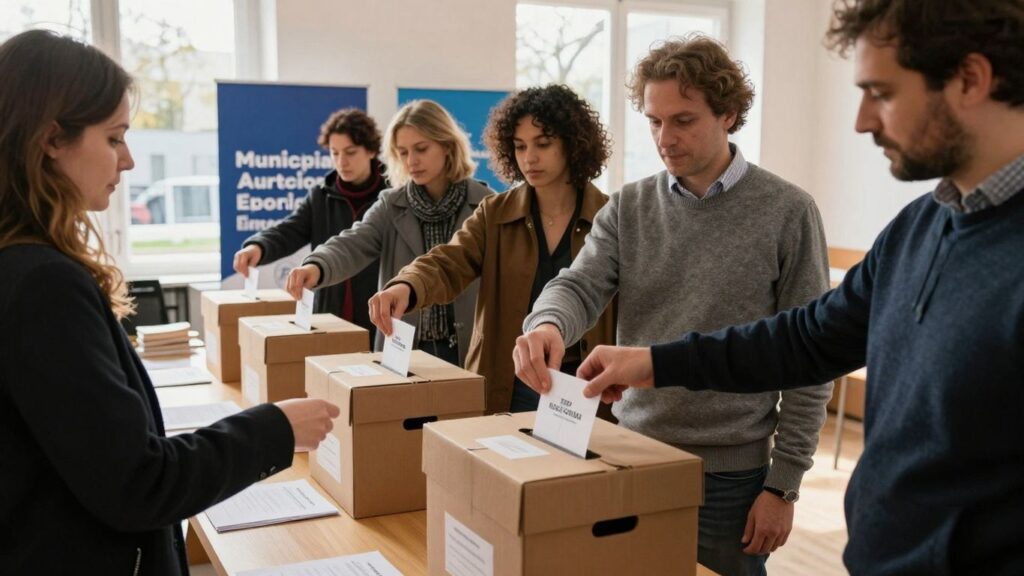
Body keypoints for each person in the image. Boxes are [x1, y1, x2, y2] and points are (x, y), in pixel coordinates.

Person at [573, 1, 1024, 574]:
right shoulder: (919, 227)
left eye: (880, 93)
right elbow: (805, 341)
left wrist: (780, 485)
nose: (862, 120)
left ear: (970, 80)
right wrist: (655, 363)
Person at [0, 30, 339, 574]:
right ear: (51, 140)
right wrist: (274, 428)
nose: (129, 161)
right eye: (113, 139)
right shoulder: (42, 284)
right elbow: (138, 483)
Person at [514, 36, 832, 576]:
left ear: (728, 113)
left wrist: (784, 485)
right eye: (655, 121)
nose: (666, 138)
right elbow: (580, 284)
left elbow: (811, 359)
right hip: (630, 453)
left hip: (732, 478)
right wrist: (547, 323)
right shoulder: (630, 206)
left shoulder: (788, 211)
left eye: (683, 120)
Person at [367, 85, 616, 413]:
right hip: (511, 379)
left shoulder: (610, 217)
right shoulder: (495, 213)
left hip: (586, 384)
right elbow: (449, 261)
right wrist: (407, 284)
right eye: (519, 146)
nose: (529, 157)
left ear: (572, 144)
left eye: (543, 144)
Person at [285, 100, 493, 366]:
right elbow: (354, 241)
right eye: (402, 152)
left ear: (447, 145)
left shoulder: (486, 203)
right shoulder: (390, 205)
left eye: (421, 149)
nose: (411, 161)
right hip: (405, 346)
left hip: (468, 348)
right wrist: (316, 265)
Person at [233, 108, 389, 340]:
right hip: (330, 315)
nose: (341, 162)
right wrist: (258, 247)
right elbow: (290, 230)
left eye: (350, 152)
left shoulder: (392, 196)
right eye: (335, 153)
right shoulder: (321, 196)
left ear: (371, 151)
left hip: (379, 316)